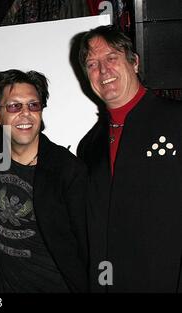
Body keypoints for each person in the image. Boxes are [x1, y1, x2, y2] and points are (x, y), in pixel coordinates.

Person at [77, 25, 182, 292]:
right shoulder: (90, 146)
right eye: (92, 64)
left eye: (112, 58)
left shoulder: (176, 119)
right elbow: (98, 232)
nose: (103, 71)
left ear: (134, 62)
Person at [0, 69, 89, 292]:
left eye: (33, 105)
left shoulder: (68, 170)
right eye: (14, 106)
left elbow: (88, 245)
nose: (25, 114)